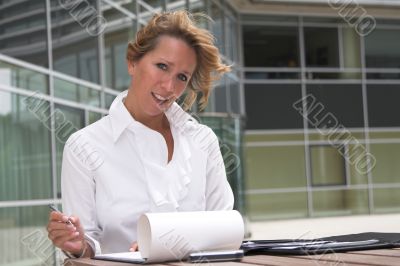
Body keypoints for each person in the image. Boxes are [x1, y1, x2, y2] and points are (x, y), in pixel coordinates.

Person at [47, 10, 234, 258]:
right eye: (162, 66)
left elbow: (225, 229)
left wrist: (164, 244)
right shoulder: (83, 146)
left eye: (182, 77)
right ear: (132, 61)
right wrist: (78, 245)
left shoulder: (203, 141)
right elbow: (86, 247)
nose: (169, 87)